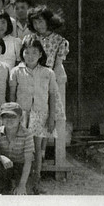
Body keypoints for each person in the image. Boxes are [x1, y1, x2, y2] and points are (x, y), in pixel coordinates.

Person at [9, 37, 64, 194]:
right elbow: (12, 94)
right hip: (22, 115)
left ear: (41, 54)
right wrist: (13, 115)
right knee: (20, 148)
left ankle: (36, 180)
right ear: (22, 54)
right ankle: (18, 181)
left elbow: (52, 95)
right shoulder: (16, 71)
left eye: (35, 52)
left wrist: (52, 117)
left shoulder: (48, 72)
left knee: (37, 149)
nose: (30, 56)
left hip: (40, 115)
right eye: (27, 52)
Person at [26, 5, 69, 116]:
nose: (38, 26)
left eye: (40, 22)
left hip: (51, 77)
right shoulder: (30, 39)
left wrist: (52, 80)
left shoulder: (60, 40)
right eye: (35, 23)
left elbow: (58, 63)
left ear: (48, 21)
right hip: (32, 77)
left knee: (52, 110)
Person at [0, 102, 36, 195]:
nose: (9, 120)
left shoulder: (27, 134)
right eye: (5, 117)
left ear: (20, 118)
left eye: (13, 117)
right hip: (6, 166)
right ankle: (3, 186)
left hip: (22, 167)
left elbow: (28, 161)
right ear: (1, 118)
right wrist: (1, 157)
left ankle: (26, 184)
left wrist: (22, 185)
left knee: (24, 192)